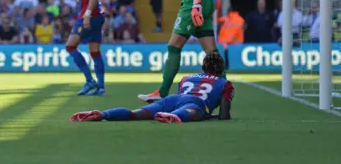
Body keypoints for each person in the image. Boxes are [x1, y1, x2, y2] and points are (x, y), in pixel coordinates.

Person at [71, 52, 233, 123]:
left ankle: (104, 114)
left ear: (203, 67)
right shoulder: (224, 83)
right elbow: (224, 116)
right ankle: (174, 117)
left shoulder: (186, 78)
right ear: (221, 69)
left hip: (171, 100)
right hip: (194, 103)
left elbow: (180, 98)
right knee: (193, 112)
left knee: (134, 114)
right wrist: (212, 115)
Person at [66, 0, 106, 96]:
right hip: (97, 15)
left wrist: (87, 14)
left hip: (88, 15)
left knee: (70, 46)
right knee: (94, 52)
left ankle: (90, 81)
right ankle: (100, 86)